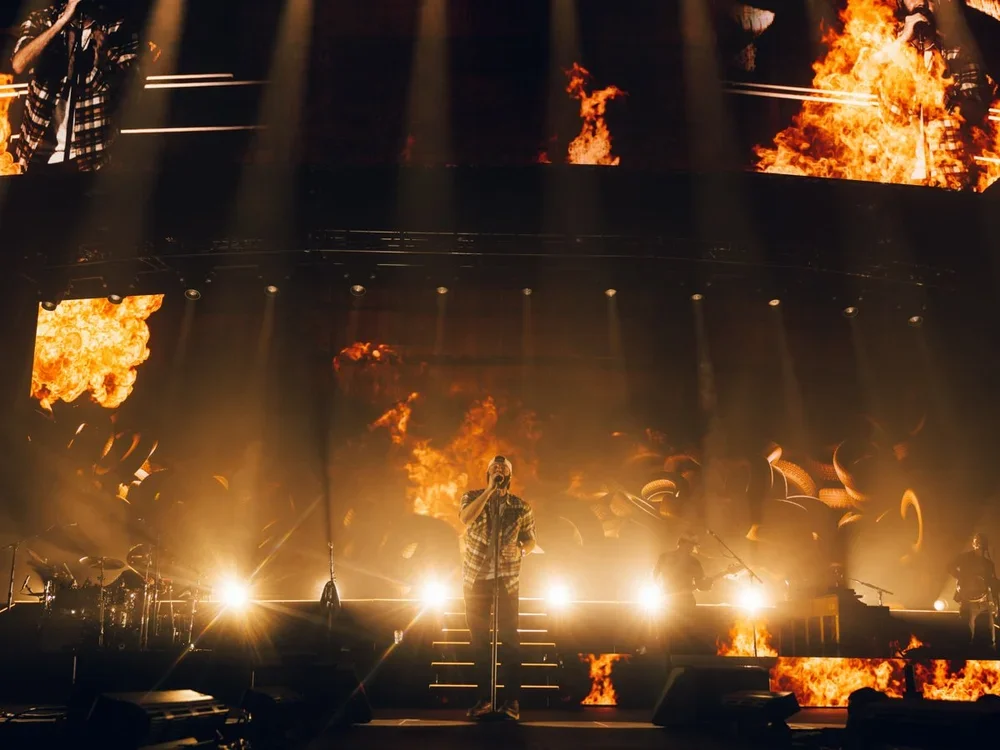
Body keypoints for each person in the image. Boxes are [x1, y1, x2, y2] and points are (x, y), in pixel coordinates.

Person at [11, 0, 140, 173]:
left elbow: (130, 88)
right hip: (37, 150)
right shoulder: (42, 19)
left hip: (89, 154)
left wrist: (103, 60)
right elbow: (19, 64)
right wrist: (61, 22)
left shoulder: (117, 28)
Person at [459, 456, 536, 721]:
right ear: (488, 473)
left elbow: (530, 539)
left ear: (510, 475)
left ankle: (511, 701)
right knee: (479, 642)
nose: (500, 470)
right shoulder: (472, 497)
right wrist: (490, 491)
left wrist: (523, 550)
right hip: (476, 578)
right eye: (495, 467)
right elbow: (465, 519)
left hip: (506, 578)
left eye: (504, 468)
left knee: (510, 641)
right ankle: (484, 699)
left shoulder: (521, 506)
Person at [653, 536, 736, 653]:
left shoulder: (691, 561)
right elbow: (654, 576)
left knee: (680, 632)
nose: (691, 548)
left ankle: (676, 656)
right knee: (668, 633)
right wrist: (662, 590)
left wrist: (715, 579)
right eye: (690, 545)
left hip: (679, 601)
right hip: (671, 601)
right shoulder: (667, 558)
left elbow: (701, 585)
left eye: (692, 546)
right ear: (681, 544)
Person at [948, 532, 998, 649]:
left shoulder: (988, 563)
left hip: (984, 600)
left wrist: (994, 599)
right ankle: (967, 651)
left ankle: (988, 649)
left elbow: (991, 582)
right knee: (967, 629)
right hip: (968, 598)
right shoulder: (964, 558)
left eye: (982, 542)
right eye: (977, 541)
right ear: (973, 543)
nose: (979, 544)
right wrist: (961, 577)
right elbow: (949, 567)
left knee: (989, 629)